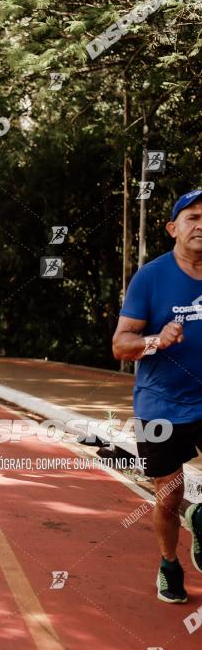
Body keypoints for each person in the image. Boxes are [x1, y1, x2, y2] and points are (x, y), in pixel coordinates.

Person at [113, 190, 202, 603]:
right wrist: (155, 340)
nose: (201, 225)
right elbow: (120, 345)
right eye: (192, 217)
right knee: (168, 498)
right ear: (173, 228)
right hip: (161, 404)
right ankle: (169, 564)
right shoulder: (151, 277)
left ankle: (200, 518)